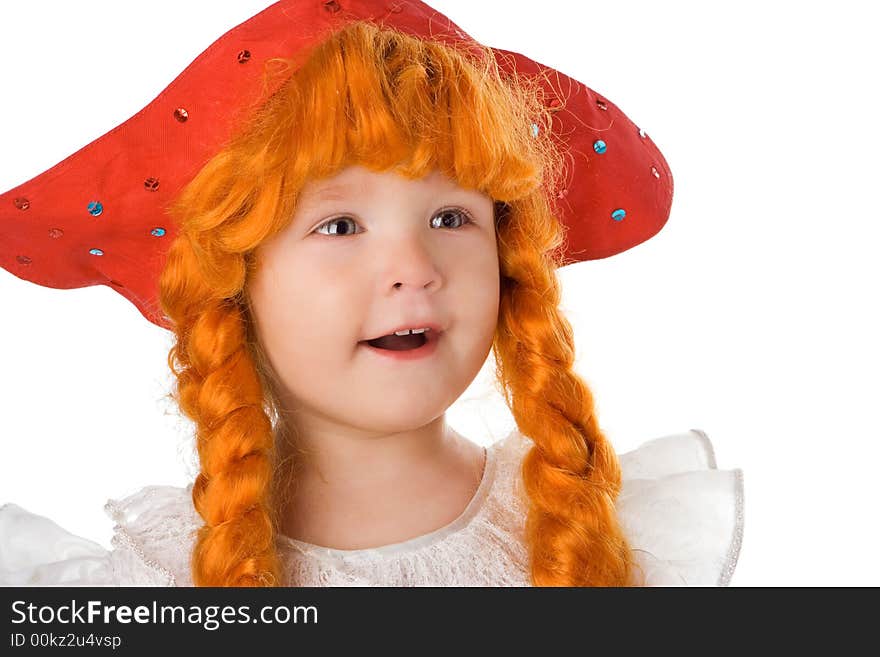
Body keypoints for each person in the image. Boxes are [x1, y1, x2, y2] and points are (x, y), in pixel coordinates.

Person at [0, 1, 743, 587]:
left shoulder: (610, 537)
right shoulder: (158, 584)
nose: (413, 267)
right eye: (341, 223)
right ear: (232, 282)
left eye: (452, 216)